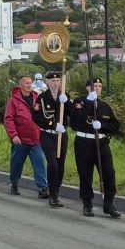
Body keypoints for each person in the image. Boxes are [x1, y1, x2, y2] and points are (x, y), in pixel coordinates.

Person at [69, 79, 120, 218]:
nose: (97, 88)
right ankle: (87, 204)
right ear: (87, 88)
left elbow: (115, 125)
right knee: (85, 174)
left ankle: (108, 204)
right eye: (94, 86)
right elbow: (75, 121)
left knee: (109, 173)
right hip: (84, 142)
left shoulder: (104, 106)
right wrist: (89, 103)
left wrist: (102, 126)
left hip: (102, 143)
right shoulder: (79, 102)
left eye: (99, 86)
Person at [4, 75, 48, 199]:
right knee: (17, 164)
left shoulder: (36, 98)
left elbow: (43, 115)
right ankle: (14, 183)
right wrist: (13, 135)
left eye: (30, 83)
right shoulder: (13, 100)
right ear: (21, 85)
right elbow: (8, 119)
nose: (29, 85)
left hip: (36, 138)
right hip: (20, 139)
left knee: (40, 162)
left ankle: (42, 188)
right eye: (27, 83)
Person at [30, 72, 69, 207]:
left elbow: (72, 114)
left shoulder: (64, 96)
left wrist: (67, 102)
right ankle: (52, 195)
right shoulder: (41, 98)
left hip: (61, 135)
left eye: (58, 80)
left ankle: (56, 192)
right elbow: (36, 117)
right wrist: (51, 125)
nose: (56, 83)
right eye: (53, 81)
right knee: (52, 164)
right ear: (47, 82)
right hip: (47, 135)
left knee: (60, 165)